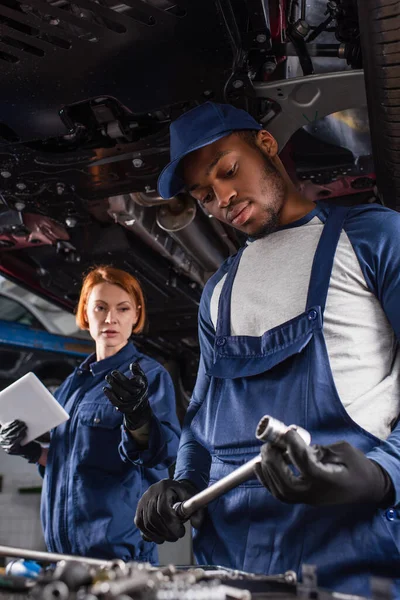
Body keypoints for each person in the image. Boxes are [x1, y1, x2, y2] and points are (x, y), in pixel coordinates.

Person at [135, 102, 400, 596]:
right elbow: (201, 419)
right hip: (232, 566)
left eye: (228, 171)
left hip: (354, 557)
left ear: (266, 144)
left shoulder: (374, 238)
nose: (223, 198)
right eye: (205, 195)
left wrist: (385, 474)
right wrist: (184, 483)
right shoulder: (217, 293)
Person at [0, 266, 180, 562]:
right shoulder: (71, 385)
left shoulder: (148, 376)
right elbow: (71, 462)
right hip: (62, 555)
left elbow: (160, 456)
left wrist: (139, 418)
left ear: (135, 315)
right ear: (86, 313)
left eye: (123, 308)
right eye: (100, 307)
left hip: (120, 557)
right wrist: (32, 451)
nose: (111, 318)